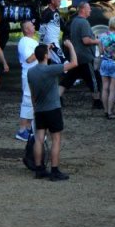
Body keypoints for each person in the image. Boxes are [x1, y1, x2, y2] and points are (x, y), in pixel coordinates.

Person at [28, 40, 78, 181]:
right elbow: (74, 63)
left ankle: (39, 169)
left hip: (39, 109)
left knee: (39, 139)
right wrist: (71, 46)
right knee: (56, 140)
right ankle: (54, 171)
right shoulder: (51, 69)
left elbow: (32, 94)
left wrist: (35, 108)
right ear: (45, 55)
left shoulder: (31, 73)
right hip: (53, 109)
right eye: (48, 52)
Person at [59, 2, 102, 109]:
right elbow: (86, 40)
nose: (90, 10)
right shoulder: (84, 23)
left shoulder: (74, 21)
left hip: (76, 57)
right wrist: (97, 40)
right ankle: (97, 101)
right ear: (82, 9)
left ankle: (57, 97)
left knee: (68, 78)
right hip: (85, 57)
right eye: (89, 9)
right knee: (94, 79)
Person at [15, 20, 38, 141]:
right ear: (26, 30)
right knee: (27, 101)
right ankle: (22, 130)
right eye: (32, 25)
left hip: (33, 75)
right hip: (29, 75)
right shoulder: (24, 42)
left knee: (31, 102)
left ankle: (28, 127)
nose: (34, 26)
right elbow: (29, 59)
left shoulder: (31, 41)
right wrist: (40, 51)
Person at [39, 0, 66, 64]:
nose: (60, 3)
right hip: (51, 41)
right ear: (52, 1)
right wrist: (41, 42)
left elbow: (60, 24)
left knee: (49, 59)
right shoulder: (46, 12)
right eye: (58, 1)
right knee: (61, 59)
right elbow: (42, 27)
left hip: (55, 39)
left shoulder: (56, 11)